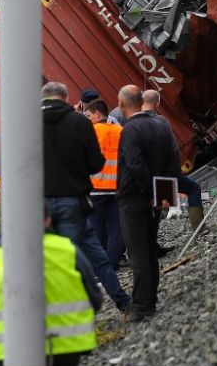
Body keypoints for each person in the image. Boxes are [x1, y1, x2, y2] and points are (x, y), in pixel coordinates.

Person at [0, 217, 104, 366]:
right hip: (67, 352)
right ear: (48, 220)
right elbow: (95, 301)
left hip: (4, 356)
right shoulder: (69, 251)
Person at [42, 81, 131, 311]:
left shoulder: (25, 126)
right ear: (66, 98)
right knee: (92, 257)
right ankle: (115, 305)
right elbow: (95, 164)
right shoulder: (79, 122)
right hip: (73, 200)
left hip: (40, 205)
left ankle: (119, 302)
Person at [116, 84, 180, 322]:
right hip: (156, 198)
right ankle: (150, 300)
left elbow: (134, 164)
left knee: (138, 253)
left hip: (135, 198)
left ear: (122, 105)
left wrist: (150, 192)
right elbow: (173, 160)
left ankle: (142, 306)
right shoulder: (161, 126)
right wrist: (165, 195)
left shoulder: (130, 130)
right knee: (150, 250)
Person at [141, 89, 205, 232]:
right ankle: (200, 230)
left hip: (144, 175)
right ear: (157, 104)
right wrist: (176, 170)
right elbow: (172, 148)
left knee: (156, 206)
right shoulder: (161, 121)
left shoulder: (133, 123)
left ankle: (150, 243)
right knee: (193, 189)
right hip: (164, 173)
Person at [84, 99, 125, 269]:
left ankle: (101, 266)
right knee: (117, 228)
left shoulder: (90, 132)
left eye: (88, 115)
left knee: (96, 229)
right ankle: (114, 262)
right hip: (117, 188)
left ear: (97, 113)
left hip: (96, 188)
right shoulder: (121, 131)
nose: (87, 118)